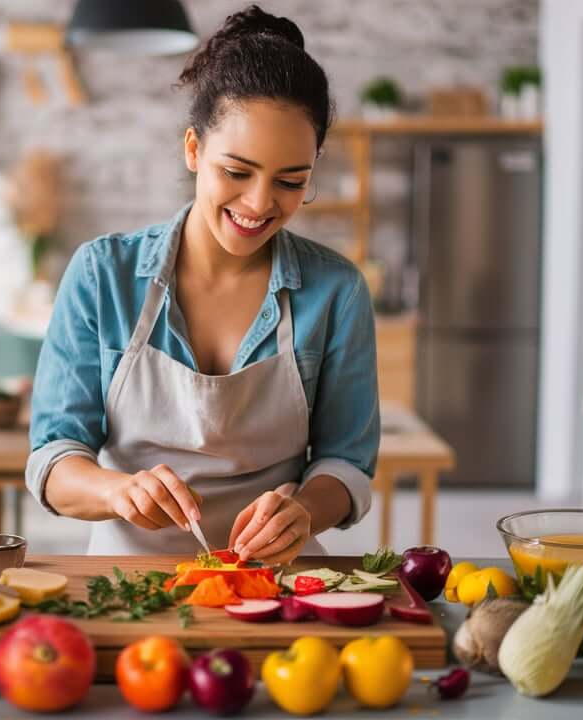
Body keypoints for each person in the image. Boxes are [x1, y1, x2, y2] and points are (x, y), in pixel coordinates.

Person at [25, 5, 380, 565]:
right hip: (127, 580)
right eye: (237, 172)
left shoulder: (336, 291)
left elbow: (346, 463)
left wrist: (307, 510)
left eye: (291, 182)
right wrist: (117, 491)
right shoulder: (102, 275)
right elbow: (54, 461)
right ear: (194, 150)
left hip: (275, 583)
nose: (261, 203)